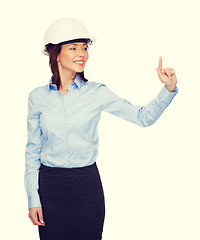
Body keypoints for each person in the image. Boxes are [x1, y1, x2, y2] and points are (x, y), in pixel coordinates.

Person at [24, 17, 178, 240]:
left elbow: (142, 117)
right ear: (56, 53)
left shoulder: (97, 93)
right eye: (74, 48)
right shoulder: (37, 98)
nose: (82, 54)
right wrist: (33, 199)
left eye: (85, 48)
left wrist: (168, 89)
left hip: (86, 186)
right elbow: (32, 153)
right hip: (50, 187)